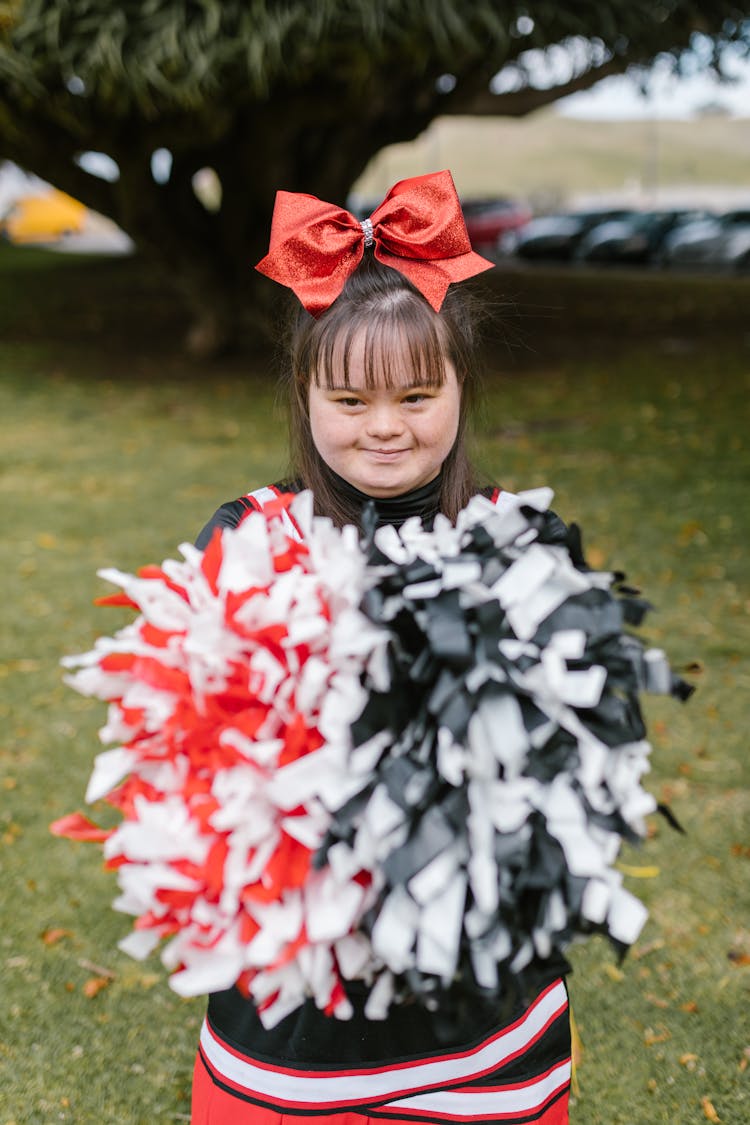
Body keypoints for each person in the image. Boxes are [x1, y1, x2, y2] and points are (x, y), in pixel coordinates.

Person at [190, 171, 572, 1125]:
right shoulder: (247, 538)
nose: (387, 427)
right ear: (306, 394)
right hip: (295, 1028)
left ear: (460, 387)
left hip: (483, 1016)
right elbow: (204, 747)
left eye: (415, 392)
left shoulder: (519, 542)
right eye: (351, 399)